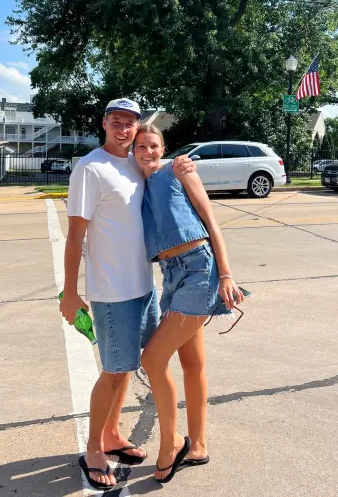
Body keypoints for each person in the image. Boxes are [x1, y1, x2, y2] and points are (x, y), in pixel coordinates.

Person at [59, 99, 194, 490]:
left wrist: (184, 166)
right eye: (116, 122)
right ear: (104, 124)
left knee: (129, 368)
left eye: (129, 124)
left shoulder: (135, 163)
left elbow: (161, 167)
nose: (123, 129)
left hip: (143, 286)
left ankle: (112, 434)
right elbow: (76, 235)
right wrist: (71, 292)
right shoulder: (90, 168)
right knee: (113, 371)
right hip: (112, 291)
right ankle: (93, 450)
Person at [133, 124, 245, 483]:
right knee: (192, 363)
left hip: (199, 268)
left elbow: (210, 220)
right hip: (171, 275)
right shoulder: (137, 185)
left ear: (163, 148)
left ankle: (172, 443)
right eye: (141, 146)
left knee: (152, 358)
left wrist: (226, 274)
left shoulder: (177, 171)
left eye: (154, 145)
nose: (148, 152)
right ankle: (198, 446)